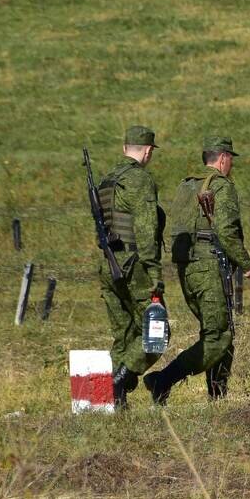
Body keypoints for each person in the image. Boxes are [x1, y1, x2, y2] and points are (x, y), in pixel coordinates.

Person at [144, 136, 250, 405]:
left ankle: (217, 396)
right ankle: (163, 379)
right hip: (209, 268)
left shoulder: (186, 186)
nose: (231, 166)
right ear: (222, 158)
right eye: (230, 160)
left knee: (217, 332)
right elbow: (226, 231)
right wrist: (246, 263)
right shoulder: (220, 186)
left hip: (187, 269)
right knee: (219, 336)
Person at [97, 125, 166, 408]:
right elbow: (147, 230)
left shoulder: (106, 181)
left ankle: (114, 402)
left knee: (124, 334)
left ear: (124, 148)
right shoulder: (139, 180)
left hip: (108, 265)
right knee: (156, 332)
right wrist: (155, 273)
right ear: (148, 151)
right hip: (134, 266)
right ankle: (120, 381)